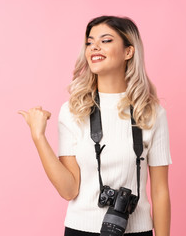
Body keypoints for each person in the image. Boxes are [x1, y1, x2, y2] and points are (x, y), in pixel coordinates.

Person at [18, 15, 172, 236]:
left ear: (128, 51)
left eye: (106, 40)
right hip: (81, 229)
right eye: (89, 42)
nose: (94, 47)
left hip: (137, 230)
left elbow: (160, 191)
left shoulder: (151, 113)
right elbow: (69, 189)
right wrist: (38, 137)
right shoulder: (73, 110)